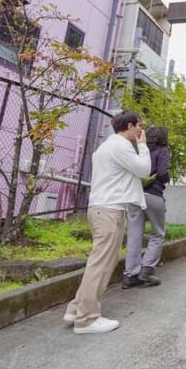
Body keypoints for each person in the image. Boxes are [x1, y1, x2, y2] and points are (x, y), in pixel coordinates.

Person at [63, 111, 151, 334]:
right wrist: (143, 146)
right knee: (101, 264)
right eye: (139, 125)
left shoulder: (106, 146)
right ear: (130, 126)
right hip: (109, 210)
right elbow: (144, 170)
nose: (141, 129)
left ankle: (76, 309)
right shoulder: (120, 146)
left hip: (101, 208)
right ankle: (87, 319)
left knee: (97, 262)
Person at [122, 126, 171, 289]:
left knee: (134, 235)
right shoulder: (162, 150)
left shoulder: (139, 149)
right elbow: (163, 173)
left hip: (135, 195)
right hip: (154, 195)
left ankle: (130, 275)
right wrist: (163, 178)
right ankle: (147, 269)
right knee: (158, 233)